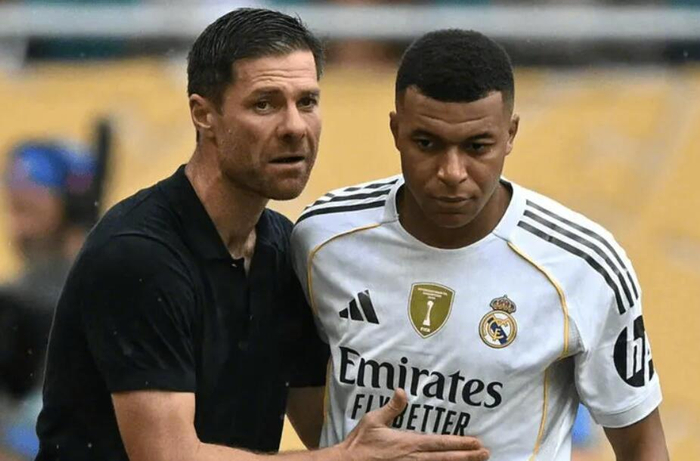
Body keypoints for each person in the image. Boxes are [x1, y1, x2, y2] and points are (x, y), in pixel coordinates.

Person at [34, 9, 489, 461]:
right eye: (265, 104)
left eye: (307, 102)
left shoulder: (285, 250)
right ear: (203, 115)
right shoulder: (138, 254)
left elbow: (330, 430)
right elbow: (168, 456)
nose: (295, 127)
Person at [291, 29, 669, 460]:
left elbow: (642, 443)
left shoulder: (585, 264)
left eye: (477, 147)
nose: (452, 172)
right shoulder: (323, 239)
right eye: (426, 143)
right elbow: (298, 386)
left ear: (510, 134)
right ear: (396, 130)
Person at [0, 140, 99, 461]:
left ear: (72, 207)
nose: (17, 228)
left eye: (29, 210)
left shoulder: (108, 292)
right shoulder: (14, 300)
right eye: (14, 209)